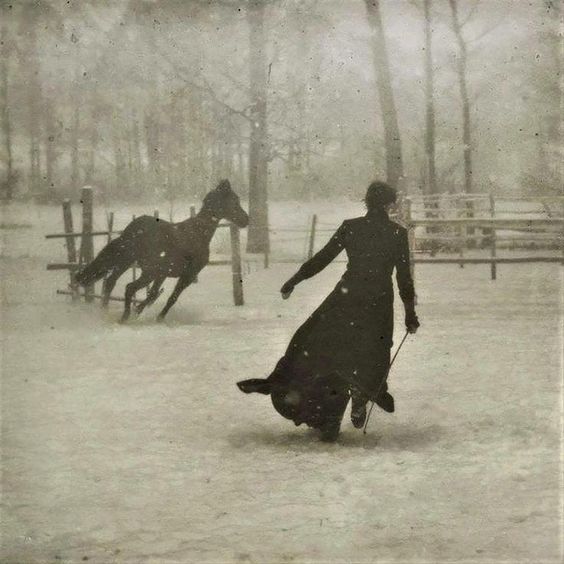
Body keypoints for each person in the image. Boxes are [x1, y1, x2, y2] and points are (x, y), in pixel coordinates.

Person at [237, 181, 420, 442]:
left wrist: (295, 279)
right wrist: (410, 312)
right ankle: (363, 395)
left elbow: (322, 259)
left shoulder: (351, 228)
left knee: (310, 341)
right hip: (377, 302)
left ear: (366, 202)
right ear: (389, 204)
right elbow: (404, 279)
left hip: (345, 299)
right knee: (374, 352)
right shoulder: (397, 234)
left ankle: (290, 382)